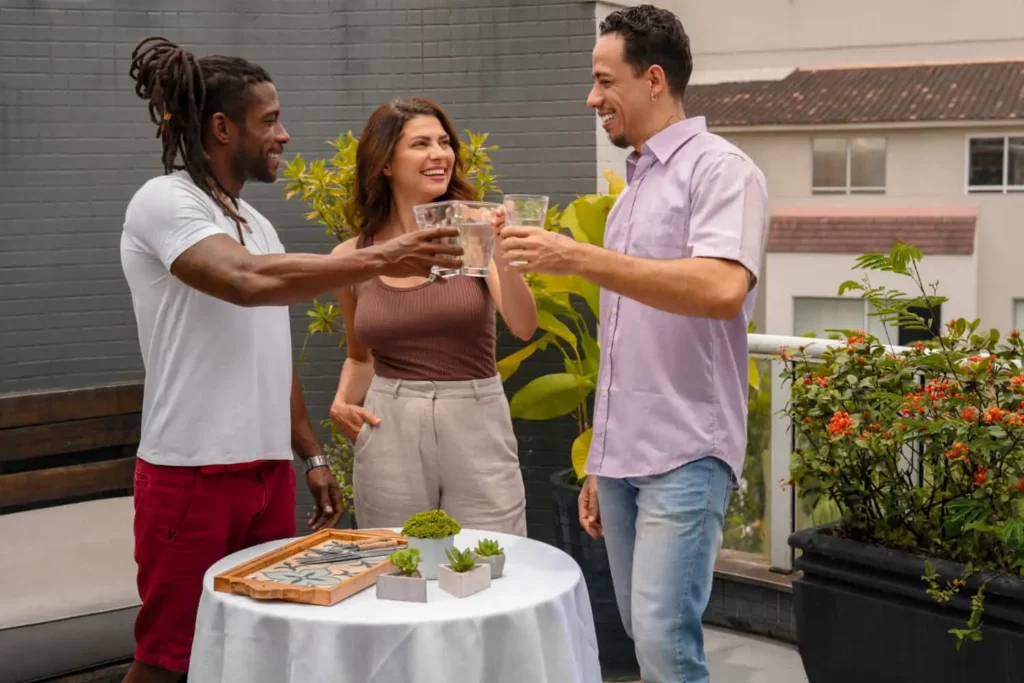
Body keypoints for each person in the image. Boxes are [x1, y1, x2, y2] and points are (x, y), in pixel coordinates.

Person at [120, 38, 462, 683]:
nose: (284, 133)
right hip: (190, 474)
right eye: (269, 119)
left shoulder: (253, 221)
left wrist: (308, 455)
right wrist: (386, 256)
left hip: (266, 473)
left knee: (266, 642)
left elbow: (269, 350)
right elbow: (246, 281)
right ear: (222, 128)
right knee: (172, 657)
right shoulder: (165, 202)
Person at [499, 6, 768, 683]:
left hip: (686, 449)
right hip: (624, 458)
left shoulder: (722, 171)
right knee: (640, 635)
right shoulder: (634, 189)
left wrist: (577, 257)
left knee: (663, 641)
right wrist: (601, 461)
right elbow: (626, 341)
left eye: (602, 80)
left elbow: (720, 288)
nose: (592, 98)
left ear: (653, 79)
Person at [327, 97, 537, 536]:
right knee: (395, 563)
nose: (439, 154)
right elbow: (360, 357)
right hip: (390, 420)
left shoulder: (476, 232)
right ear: (385, 162)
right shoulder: (353, 257)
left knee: (492, 559)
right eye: (420, 144)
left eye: (444, 142)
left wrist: (507, 252)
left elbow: (522, 325)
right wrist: (343, 400)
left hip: (474, 415)